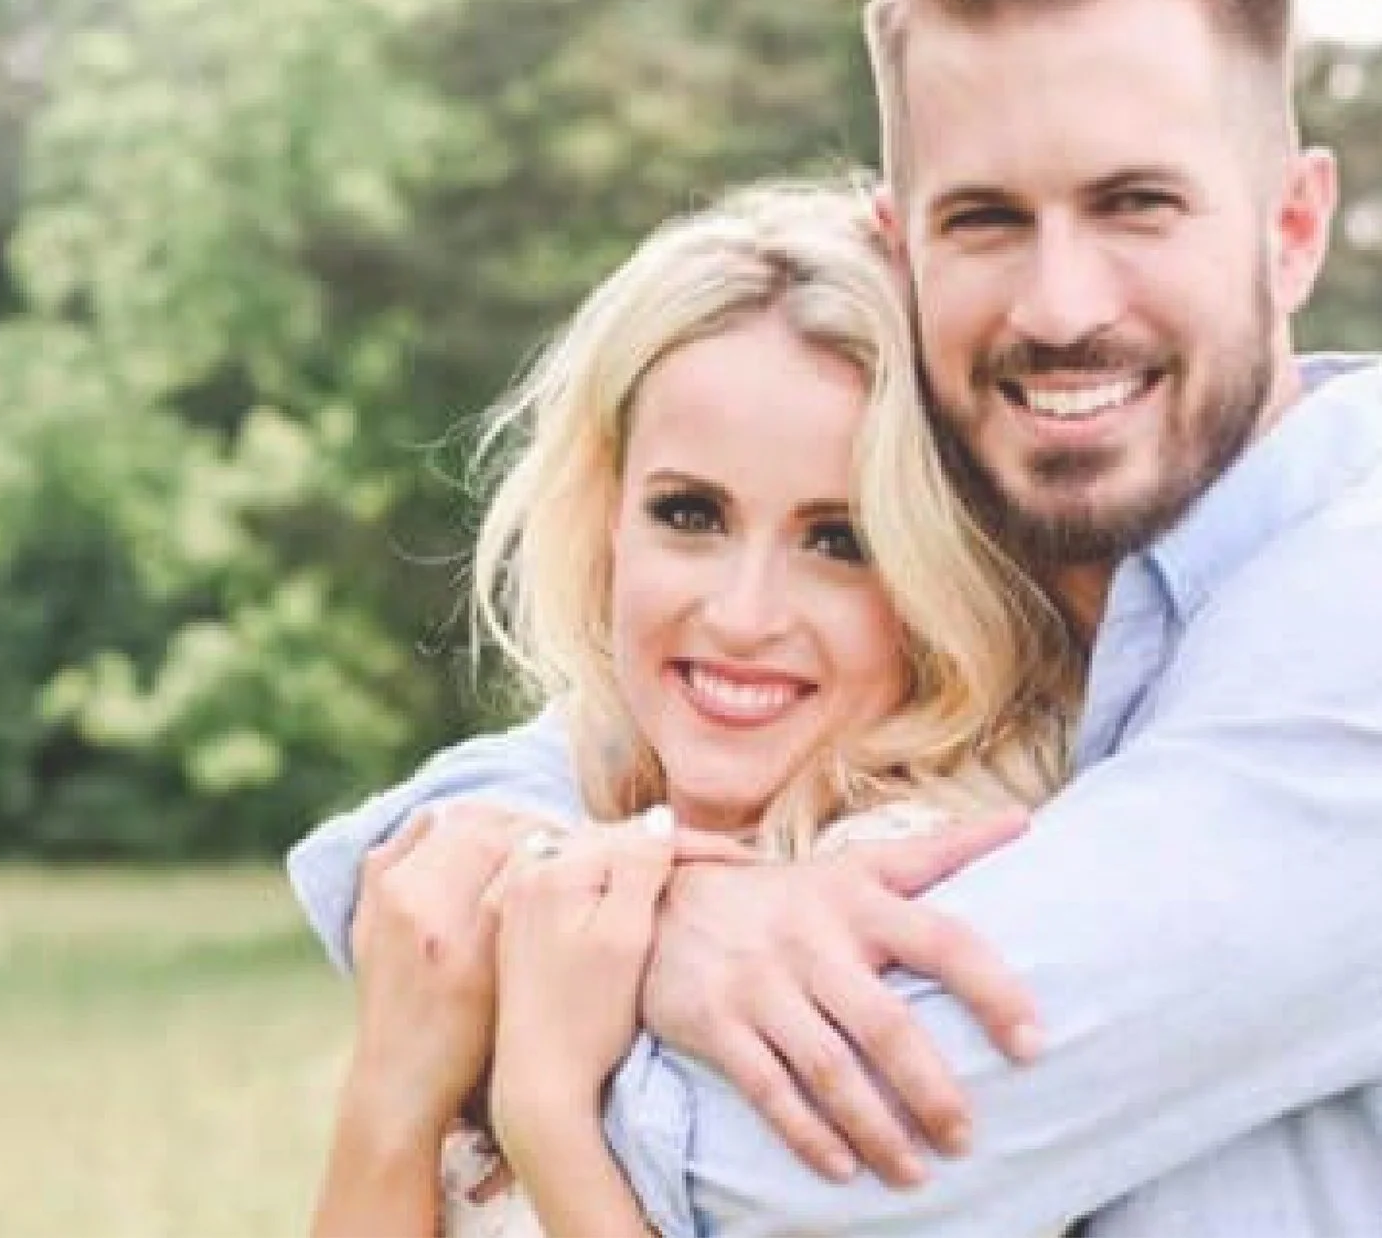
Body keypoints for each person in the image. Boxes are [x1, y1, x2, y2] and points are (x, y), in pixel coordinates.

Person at [290, 0, 1382, 1236]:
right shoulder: (1043, 619)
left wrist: (589, 950)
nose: (1062, 304)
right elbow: (413, 855)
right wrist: (658, 901)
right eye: (987, 219)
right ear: (906, 251)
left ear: (1293, 227)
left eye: (1136, 204)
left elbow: (783, 1147)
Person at [309, 181, 1082, 1237]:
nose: (742, 614)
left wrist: (545, 1108)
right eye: (689, 514)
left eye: (839, 539)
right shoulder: (555, 829)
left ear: (941, 568)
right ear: (607, 516)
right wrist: (392, 1092)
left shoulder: (909, 927)